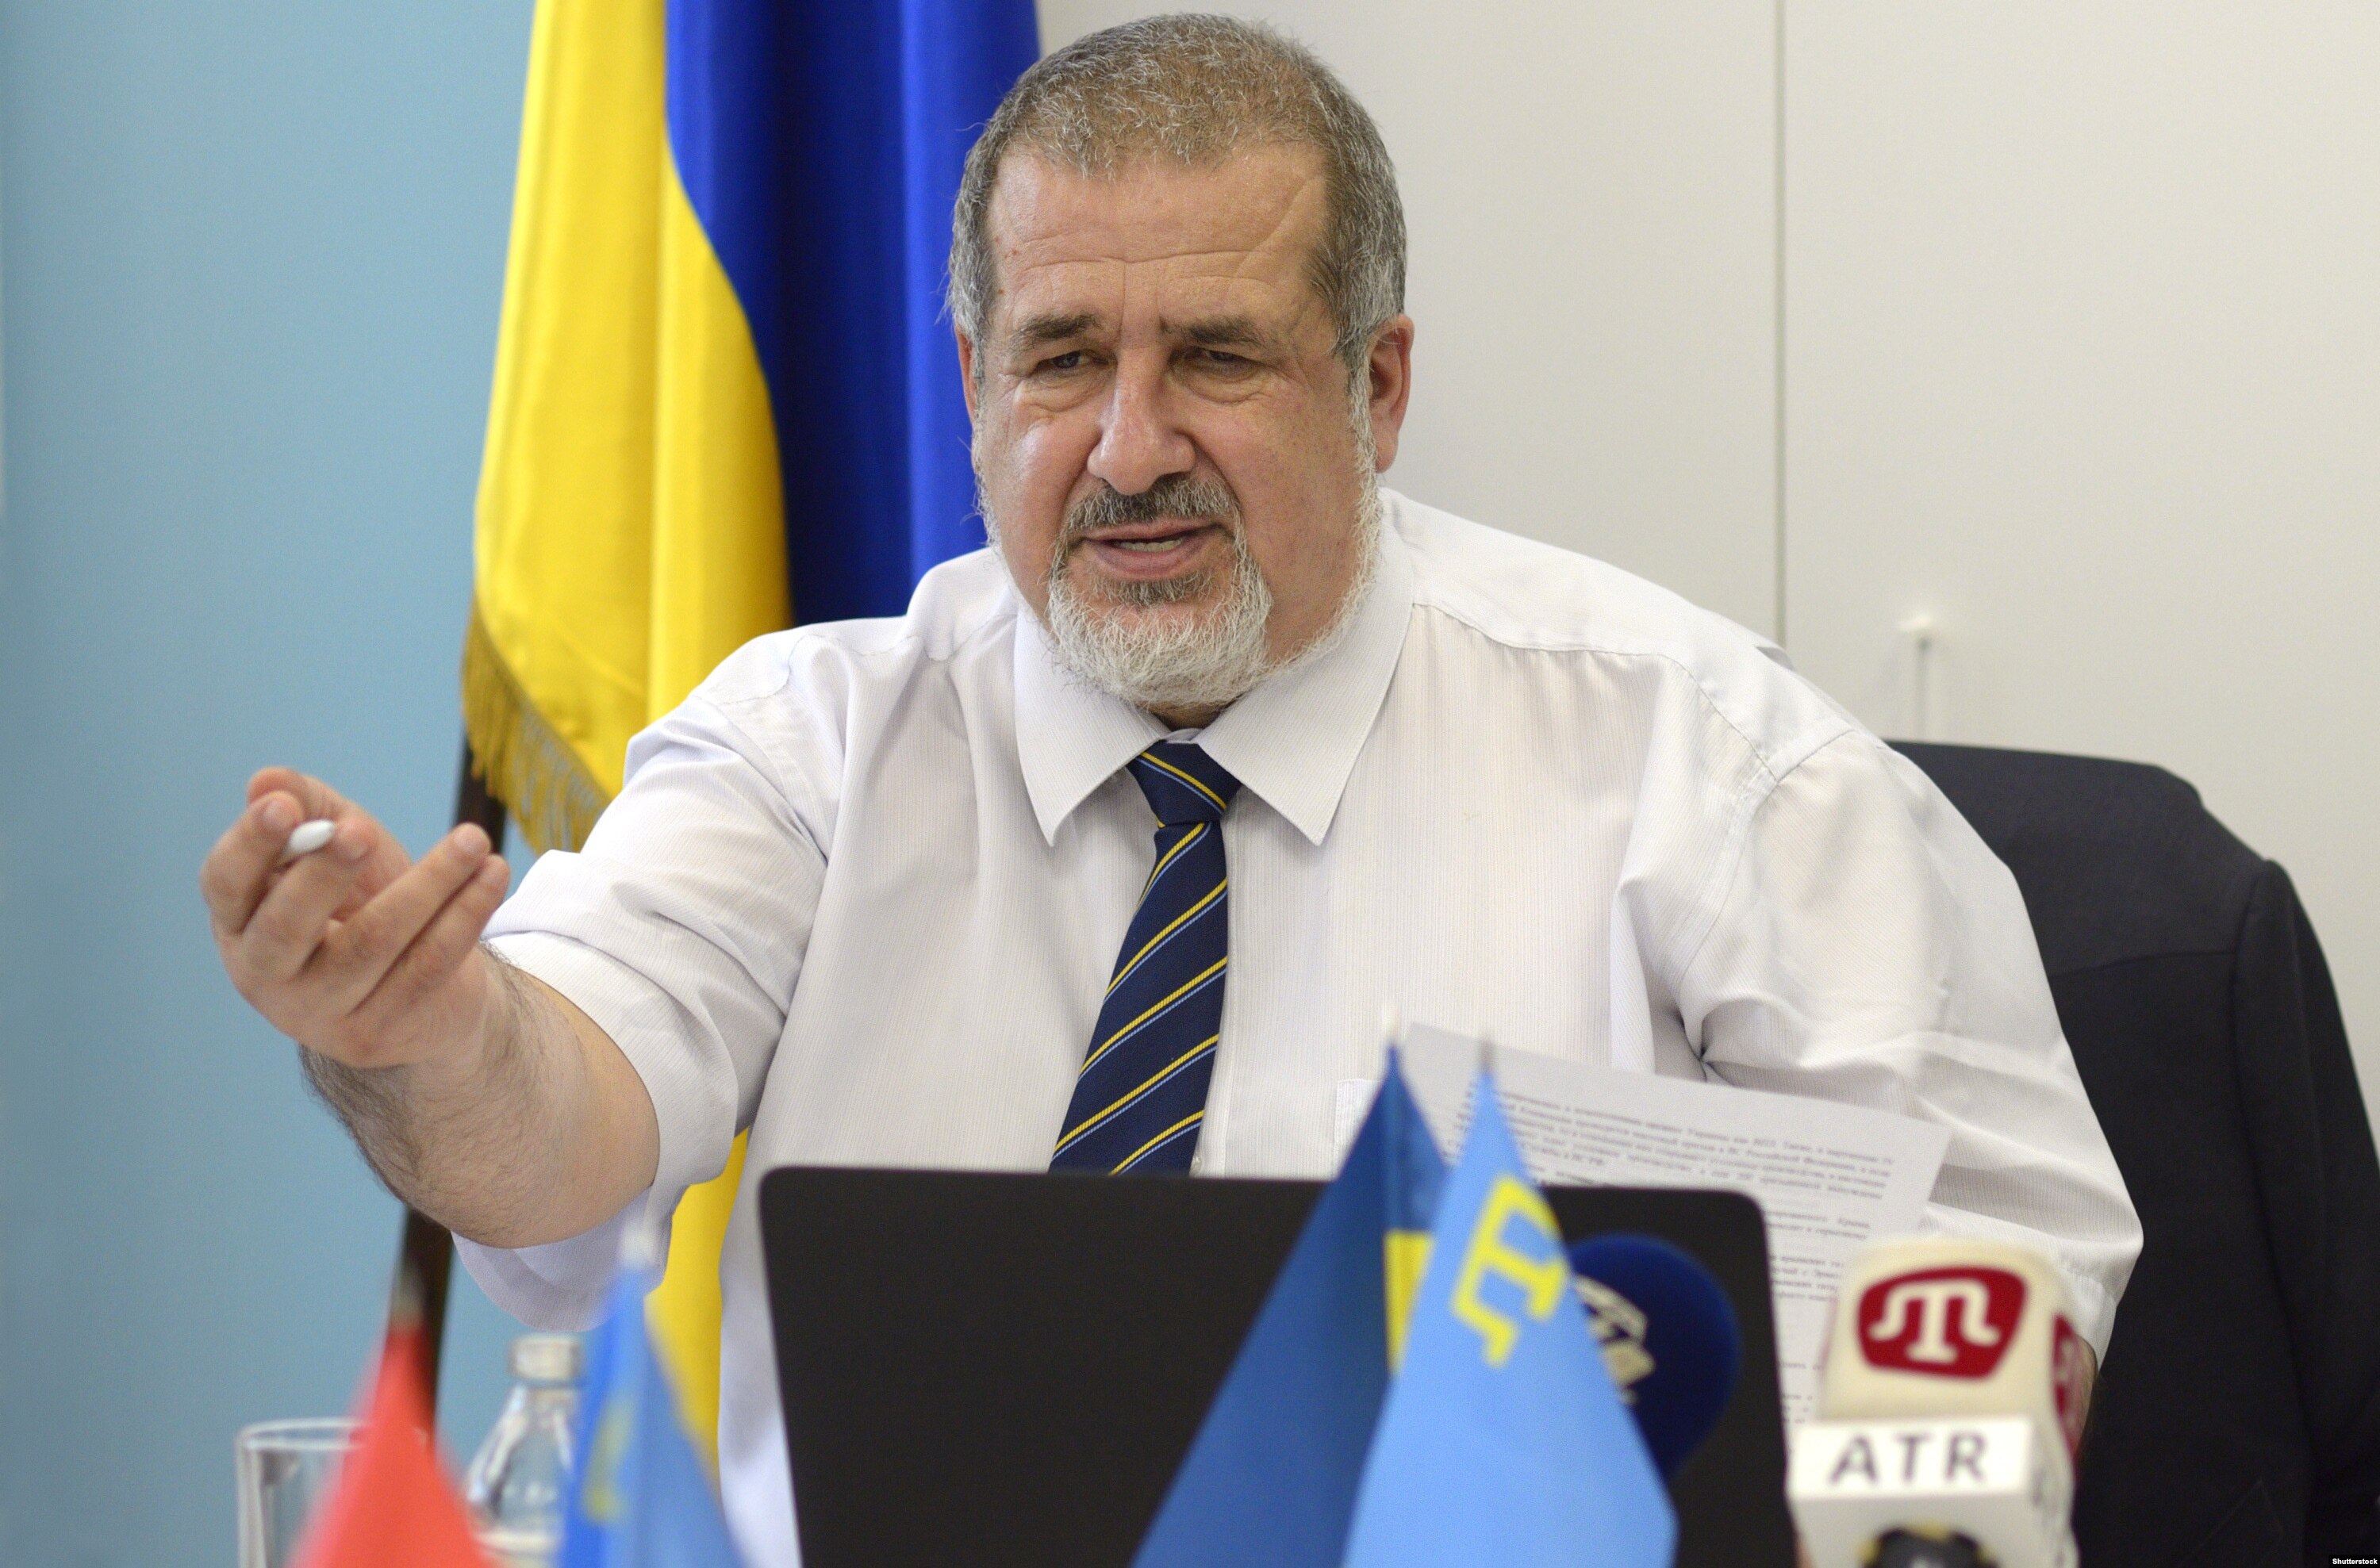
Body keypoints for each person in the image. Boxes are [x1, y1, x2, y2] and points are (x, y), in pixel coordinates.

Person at [201, 17, 2139, 1565]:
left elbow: (1998, 1285)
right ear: (975, 382)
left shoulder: (1707, 758)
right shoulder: (811, 743)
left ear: (1378, 387)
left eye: (1216, 357)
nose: (1132, 448)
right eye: (1061, 360)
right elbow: (554, 1134)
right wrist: (416, 1035)